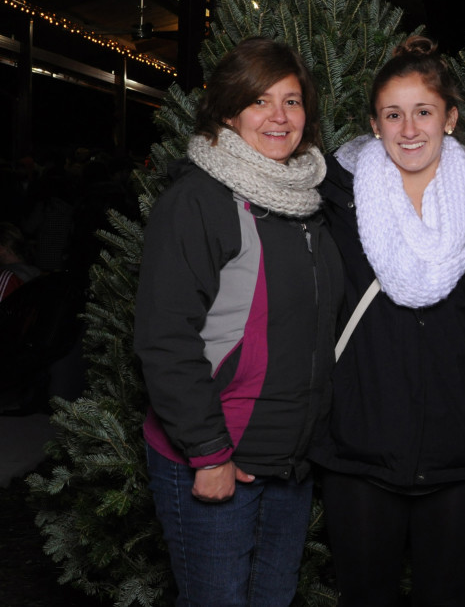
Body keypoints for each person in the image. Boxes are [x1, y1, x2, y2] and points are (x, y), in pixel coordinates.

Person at [134, 38, 344, 607]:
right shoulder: (198, 201)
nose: (279, 116)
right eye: (260, 101)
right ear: (228, 111)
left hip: (288, 463)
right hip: (215, 458)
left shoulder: (308, 202)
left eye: (293, 101)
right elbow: (164, 337)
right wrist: (210, 454)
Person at [312, 35, 465, 606]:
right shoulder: (335, 197)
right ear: (374, 123)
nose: (409, 129)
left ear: (450, 119)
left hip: (455, 454)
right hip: (361, 450)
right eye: (393, 114)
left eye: (424, 112)